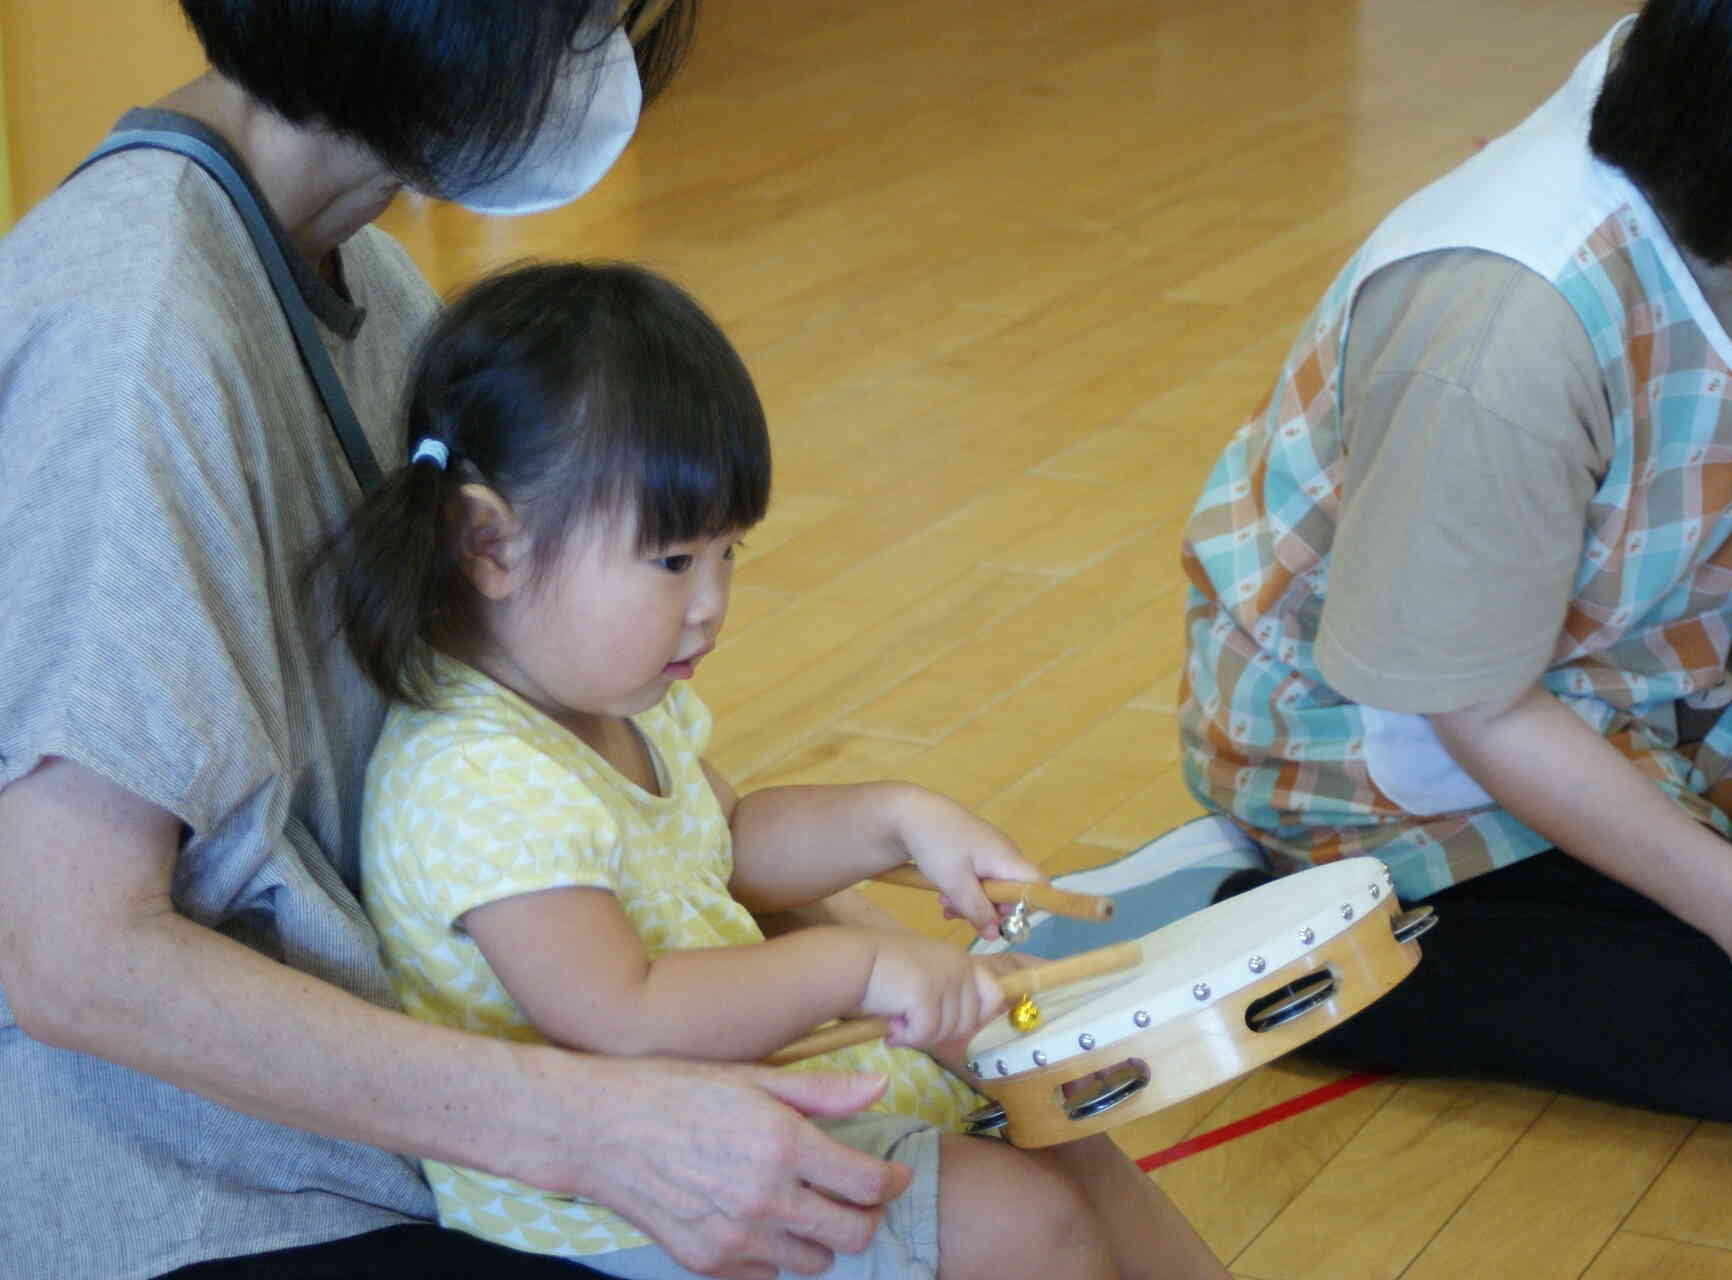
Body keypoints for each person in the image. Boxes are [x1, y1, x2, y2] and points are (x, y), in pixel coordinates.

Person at [0, 4, 977, 1277]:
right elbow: (72, 955)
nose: (598, 57)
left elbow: (642, 815)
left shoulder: (371, 283)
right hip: (217, 1197)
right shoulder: (128, 330)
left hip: (419, 1121)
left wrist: (887, 970)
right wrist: (594, 1130)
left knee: (1001, 1157)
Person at [314, 259, 1231, 1280]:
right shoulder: (474, 779)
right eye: (673, 561)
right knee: (1018, 1217)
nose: (709, 602)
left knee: (1065, 1132)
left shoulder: (608, 699)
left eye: (727, 554)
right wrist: (864, 967)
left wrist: (898, 819)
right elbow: (627, 1011)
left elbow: (729, 841)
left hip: (728, 1089)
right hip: (622, 1201)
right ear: (490, 542)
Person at [1181, 0, 1732, 1124]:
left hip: (1636, 678)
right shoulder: (1505, 323)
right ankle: (1287, 931)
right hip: (1389, 747)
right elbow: (1472, 700)